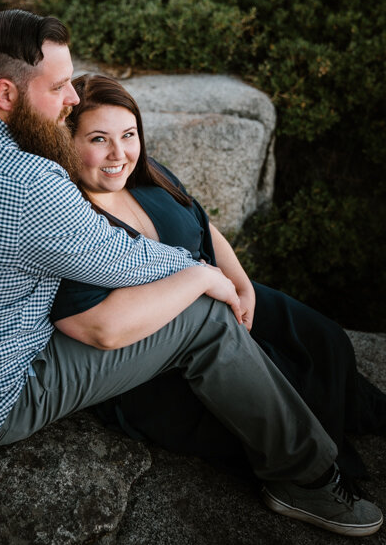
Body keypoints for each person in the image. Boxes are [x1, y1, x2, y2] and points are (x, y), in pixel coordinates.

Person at [0, 9, 382, 538]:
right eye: (59, 86)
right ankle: (305, 479)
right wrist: (203, 273)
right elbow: (121, 258)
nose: (72, 98)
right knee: (204, 315)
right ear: (5, 93)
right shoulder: (27, 179)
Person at [50, 74, 386, 489]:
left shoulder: (147, 174)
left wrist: (241, 284)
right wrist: (208, 286)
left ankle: (361, 412)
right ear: (67, 141)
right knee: (280, 377)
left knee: (325, 340)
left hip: (215, 291)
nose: (119, 153)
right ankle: (324, 473)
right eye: (99, 139)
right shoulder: (68, 218)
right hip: (160, 348)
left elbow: (203, 226)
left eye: (129, 134)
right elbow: (96, 325)